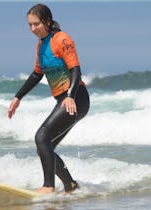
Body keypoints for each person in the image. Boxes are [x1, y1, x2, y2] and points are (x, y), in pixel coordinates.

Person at [8, 4, 90, 194]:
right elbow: (37, 74)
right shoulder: (41, 45)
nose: (33, 29)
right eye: (29, 25)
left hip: (76, 98)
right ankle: (70, 185)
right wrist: (17, 97)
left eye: (36, 24)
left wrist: (71, 96)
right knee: (45, 147)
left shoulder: (62, 39)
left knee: (41, 136)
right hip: (64, 100)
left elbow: (75, 69)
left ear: (47, 21)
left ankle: (48, 187)